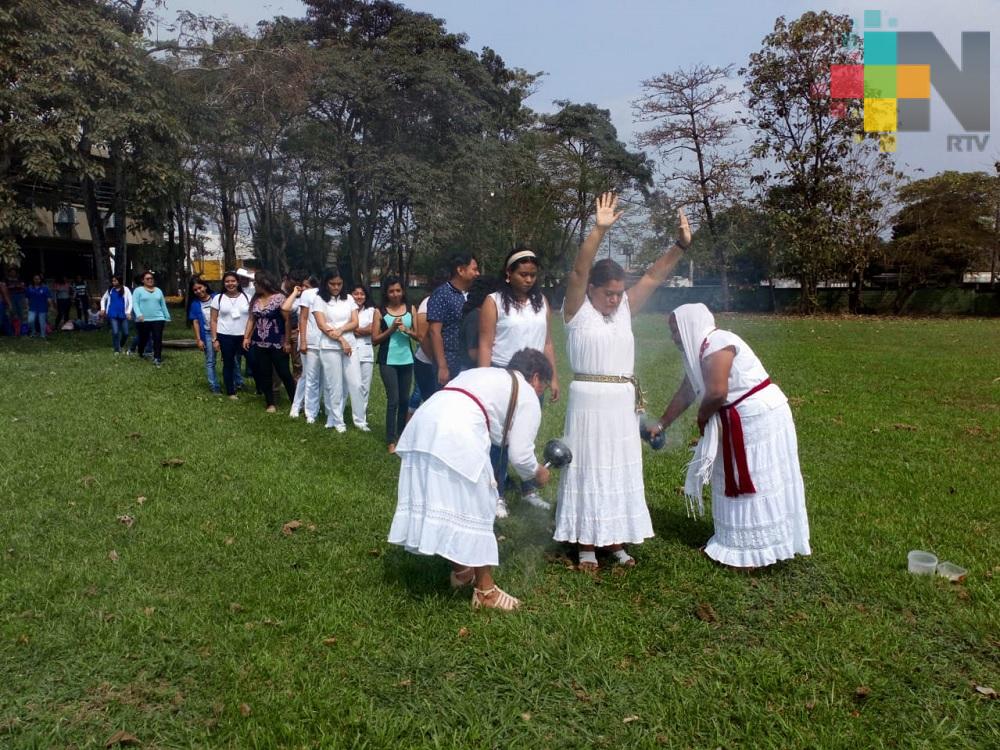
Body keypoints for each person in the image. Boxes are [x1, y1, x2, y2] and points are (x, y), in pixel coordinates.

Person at [554, 192, 691, 571]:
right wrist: (598, 230)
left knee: (617, 466)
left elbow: (653, 275)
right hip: (588, 402)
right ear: (592, 290)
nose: (615, 300)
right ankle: (585, 544)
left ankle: (614, 540)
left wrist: (680, 245)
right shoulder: (576, 311)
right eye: (608, 293)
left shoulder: (625, 308)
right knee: (589, 466)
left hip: (621, 404)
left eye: (618, 293)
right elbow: (578, 272)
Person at [388, 348, 553, 611]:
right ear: (535, 377)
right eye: (543, 385)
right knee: (480, 505)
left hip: (424, 423)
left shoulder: (484, 374)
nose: (541, 391)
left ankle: (462, 572)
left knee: (448, 501)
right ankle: (486, 592)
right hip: (456, 430)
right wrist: (538, 473)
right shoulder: (527, 394)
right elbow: (520, 455)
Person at [649, 303, 810, 569]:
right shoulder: (698, 352)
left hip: (758, 417)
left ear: (690, 326)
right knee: (734, 479)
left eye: (676, 330)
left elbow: (716, 393)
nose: (674, 337)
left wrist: (702, 418)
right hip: (737, 418)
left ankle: (757, 550)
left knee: (756, 481)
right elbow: (688, 390)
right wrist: (662, 423)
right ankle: (738, 544)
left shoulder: (718, 342)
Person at [478, 247, 560, 513]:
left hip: (534, 381)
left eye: (533, 275)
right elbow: (485, 344)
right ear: (508, 273)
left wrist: (553, 377)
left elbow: (548, 342)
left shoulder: (542, 302)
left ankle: (529, 489)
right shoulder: (493, 302)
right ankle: (496, 493)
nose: (528, 279)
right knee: (499, 440)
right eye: (523, 274)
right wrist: (483, 380)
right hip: (503, 377)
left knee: (526, 436)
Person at [310, 268, 362, 432]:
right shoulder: (319, 299)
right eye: (332, 284)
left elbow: (355, 322)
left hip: (350, 344)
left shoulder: (349, 299)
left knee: (356, 383)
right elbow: (322, 325)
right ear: (326, 283)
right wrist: (341, 339)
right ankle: (338, 420)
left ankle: (360, 420)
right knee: (335, 385)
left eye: (339, 284)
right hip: (330, 346)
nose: (336, 287)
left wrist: (341, 330)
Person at [372, 277, 418, 453]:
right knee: (394, 400)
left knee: (405, 400)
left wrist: (407, 331)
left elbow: (419, 336)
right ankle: (391, 440)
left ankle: (402, 435)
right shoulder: (379, 311)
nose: (395, 294)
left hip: (406, 360)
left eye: (398, 290)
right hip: (388, 361)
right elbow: (374, 339)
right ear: (386, 293)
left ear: (403, 291)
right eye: (391, 291)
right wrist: (391, 330)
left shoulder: (411, 309)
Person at [243, 271, 295, 413]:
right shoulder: (256, 300)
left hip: (277, 341)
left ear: (264, 283)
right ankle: (270, 403)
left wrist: (287, 341)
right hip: (259, 342)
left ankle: (295, 402)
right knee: (264, 373)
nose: (254, 285)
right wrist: (246, 337)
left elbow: (287, 321)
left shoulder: (280, 298)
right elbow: (252, 319)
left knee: (284, 372)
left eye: (256, 283)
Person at [427, 253, 480, 391]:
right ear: (460, 270)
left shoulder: (473, 295)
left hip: (470, 361)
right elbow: (434, 332)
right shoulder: (442, 295)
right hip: (451, 360)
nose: (477, 273)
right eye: (474, 269)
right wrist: (442, 366)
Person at [411, 268, 449, 407]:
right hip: (427, 362)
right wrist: (438, 361)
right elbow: (422, 336)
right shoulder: (427, 303)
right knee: (427, 401)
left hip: (445, 361)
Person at [283, 275, 319, 420]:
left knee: (316, 377)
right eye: (302, 286)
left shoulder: (320, 298)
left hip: (322, 341)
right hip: (306, 340)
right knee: (306, 375)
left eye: (306, 286)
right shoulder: (300, 300)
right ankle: (297, 406)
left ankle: (311, 405)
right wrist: (294, 293)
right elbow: (285, 308)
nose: (303, 289)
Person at [210, 271, 250, 400]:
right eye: (227, 281)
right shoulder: (218, 298)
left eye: (233, 281)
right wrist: (215, 339)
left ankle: (261, 389)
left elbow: (252, 318)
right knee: (228, 364)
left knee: (254, 361)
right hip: (225, 335)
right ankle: (231, 391)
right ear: (223, 283)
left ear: (238, 282)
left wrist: (249, 336)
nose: (230, 284)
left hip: (244, 336)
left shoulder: (247, 297)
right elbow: (213, 320)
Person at [350, 284, 376, 428]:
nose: (359, 296)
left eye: (362, 294)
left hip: (366, 351)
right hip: (350, 350)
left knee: (364, 385)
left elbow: (372, 329)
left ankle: (361, 417)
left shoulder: (371, 311)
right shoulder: (347, 309)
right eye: (356, 293)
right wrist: (360, 330)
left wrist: (353, 329)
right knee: (351, 384)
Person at [132, 271, 171, 366]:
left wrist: (167, 316)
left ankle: (157, 357)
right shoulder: (138, 290)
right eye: (147, 279)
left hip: (158, 318)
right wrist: (138, 314)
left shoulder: (158, 290)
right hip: (143, 319)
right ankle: (141, 352)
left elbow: (163, 304)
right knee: (143, 338)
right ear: (143, 280)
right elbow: (135, 303)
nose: (150, 280)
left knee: (157, 338)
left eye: (151, 278)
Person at [188, 279, 220, 394]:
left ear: (205, 286)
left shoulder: (217, 297)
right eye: (195, 290)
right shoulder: (195, 304)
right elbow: (195, 322)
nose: (198, 291)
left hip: (223, 332)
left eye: (200, 287)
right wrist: (199, 339)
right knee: (210, 361)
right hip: (207, 333)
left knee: (231, 358)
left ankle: (237, 382)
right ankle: (214, 386)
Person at [100, 275, 132, 354]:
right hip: (112, 313)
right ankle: (116, 350)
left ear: (119, 281)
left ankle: (120, 345)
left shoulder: (126, 289)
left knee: (126, 333)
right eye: (113, 281)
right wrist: (103, 308)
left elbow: (131, 301)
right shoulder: (110, 290)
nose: (113, 282)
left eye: (115, 281)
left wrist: (128, 312)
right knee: (115, 332)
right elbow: (103, 299)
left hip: (123, 314)